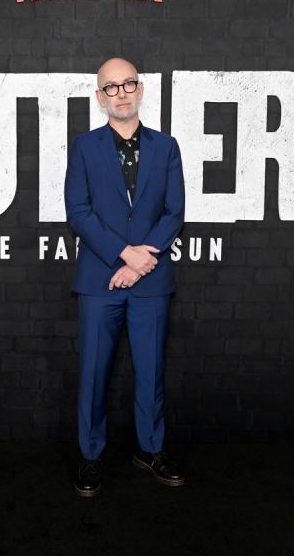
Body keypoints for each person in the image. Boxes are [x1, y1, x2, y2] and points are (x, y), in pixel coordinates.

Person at [64, 57, 186, 497]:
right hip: (99, 279)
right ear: (100, 97)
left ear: (140, 90)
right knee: (94, 371)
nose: (120, 93)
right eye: (110, 87)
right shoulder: (84, 147)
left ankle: (150, 449)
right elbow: (77, 212)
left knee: (151, 371)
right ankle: (91, 456)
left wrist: (141, 262)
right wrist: (123, 255)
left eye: (127, 84)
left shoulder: (166, 147)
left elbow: (174, 212)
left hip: (151, 281)